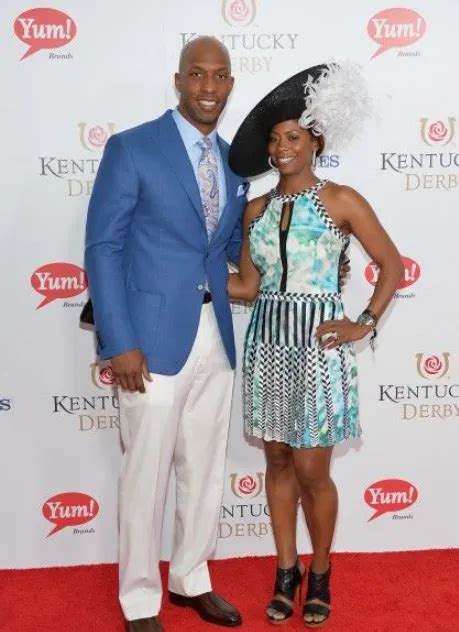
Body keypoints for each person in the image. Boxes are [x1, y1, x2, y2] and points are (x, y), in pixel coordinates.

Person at [227, 63, 404, 627]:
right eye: (275, 139)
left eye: (293, 138)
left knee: (311, 470)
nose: (282, 148)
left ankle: (321, 570)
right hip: (267, 344)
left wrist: (363, 323)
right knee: (277, 459)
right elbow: (247, 287)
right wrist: (180, 273)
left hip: (319, 349)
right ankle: (287, 570)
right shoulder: (255, 210)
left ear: (315, 142)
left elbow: (392, 265)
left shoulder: (341, 200)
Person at [85, 37, 248, 632]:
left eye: (220, 76)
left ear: (231, 85)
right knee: (145, 475)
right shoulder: (132, 148)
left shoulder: (234, 161)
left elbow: (231, 250)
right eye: (197, 75)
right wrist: (118, 341)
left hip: (215, 334)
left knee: (203, 469)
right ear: (178, 80)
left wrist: (304, 263)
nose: (208, 87)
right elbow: (103, 247)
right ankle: (138, 598)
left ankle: (191, 578)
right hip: (148, 341)